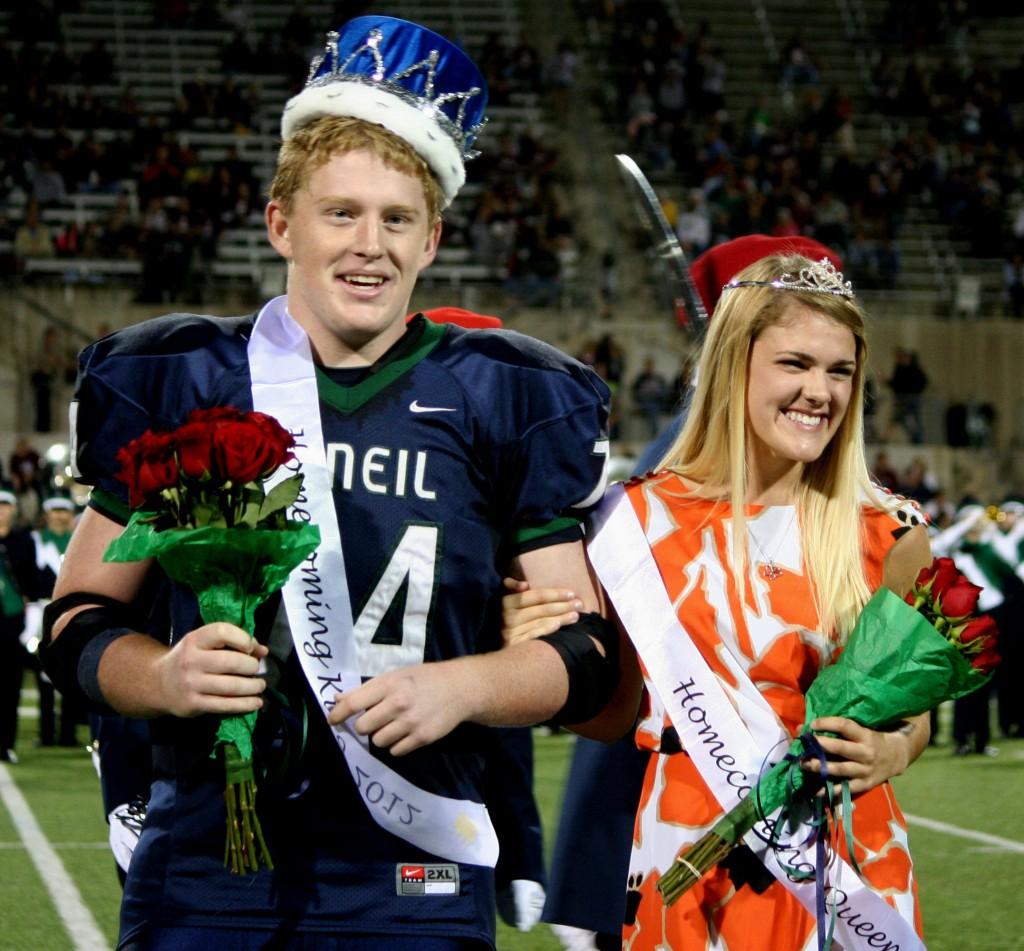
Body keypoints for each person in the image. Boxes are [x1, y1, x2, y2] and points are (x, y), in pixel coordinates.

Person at [41, 16, 617, 951]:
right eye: (340, 212)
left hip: (413, 862)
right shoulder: (180, 377)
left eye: (396, 220)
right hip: (206, 861)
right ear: (282, 223)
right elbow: (73, 621)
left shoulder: (506, 394)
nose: (369, 245)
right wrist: (162, 674)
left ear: (431, 240)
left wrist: (465, 686)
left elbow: (585, 649)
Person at [505, 253, 933, 949]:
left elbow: (909, 711)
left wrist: (892, 747)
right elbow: (613, 716)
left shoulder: (890, 531)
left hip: (845, 863)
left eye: (840, 371)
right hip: (685, 849)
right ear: (735, 364)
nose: (819, 391)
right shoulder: (631, 524)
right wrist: (541, 652)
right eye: (794, 364)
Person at [0, 490, 36, 763]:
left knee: (10, 685)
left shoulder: (23, 541)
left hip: (12, 621)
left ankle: (6, 744)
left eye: (5, 505)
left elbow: (31, 584)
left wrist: (32, 619)